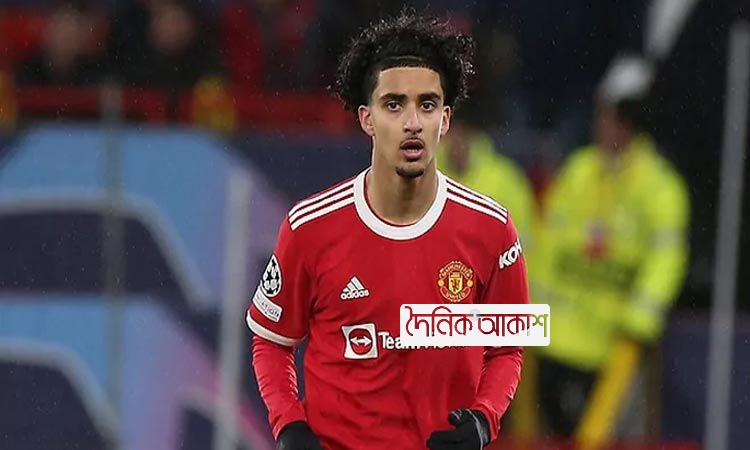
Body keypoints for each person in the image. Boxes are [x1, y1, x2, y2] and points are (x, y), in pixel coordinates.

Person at [247, 11, 529, 450]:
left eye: (427, 105)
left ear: (446, 119)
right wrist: (289, 424)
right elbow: (271, 342)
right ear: (367, 118)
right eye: (394, 105)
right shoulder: (309, 227)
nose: (412, 122)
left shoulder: (492, 228)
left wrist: (483, 419)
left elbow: (507, 348)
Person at [532, 55, 690, 436]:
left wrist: (637, 325)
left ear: (631, 120)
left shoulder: (660, 188)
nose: (602, 124)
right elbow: (546, 247)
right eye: (601, 114)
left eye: (611, 115)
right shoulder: (579, 171)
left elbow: (665, 262)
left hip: (614, 351)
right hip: (554, 343)